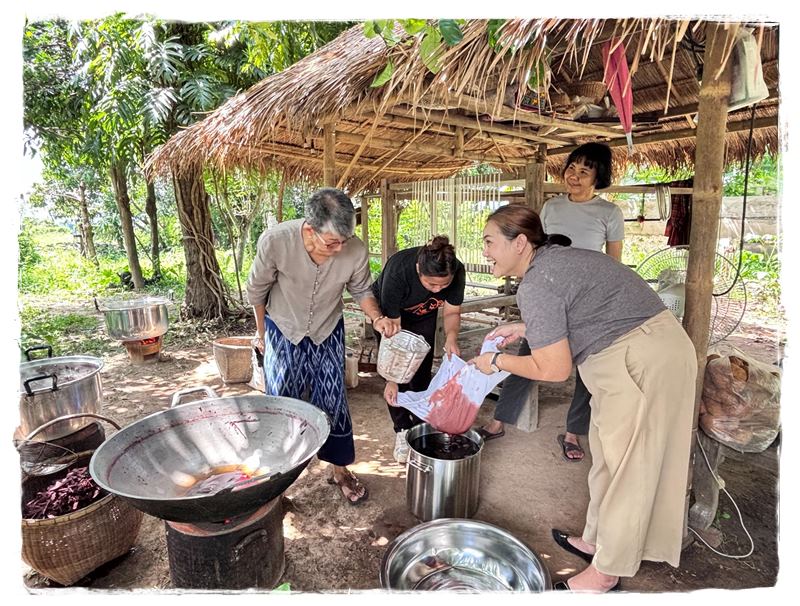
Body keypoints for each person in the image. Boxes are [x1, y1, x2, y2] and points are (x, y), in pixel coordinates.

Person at [471, 205, 696, 592]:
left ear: (520, 243)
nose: (485, 251)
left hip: (645, 359)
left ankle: (606, 573)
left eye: (490, 242)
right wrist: (526, 327)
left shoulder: (537, 282)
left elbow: (553, 369)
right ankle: (596, 542)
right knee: (609, 460)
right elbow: (580, 308)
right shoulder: (553, 263)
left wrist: (495, 362)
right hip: (634, 351)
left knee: (630, 469)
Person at [246, 188, 397, 505]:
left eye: (344, 240)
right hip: (283, 328)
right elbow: (257, 291)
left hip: (328, 328)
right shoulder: (276, 241)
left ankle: (339, 470)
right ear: (309, 230)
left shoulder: (354, 249)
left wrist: (377, 318)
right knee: (281, 403)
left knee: (333, 398)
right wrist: (261, 335)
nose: (340, 248)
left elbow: (361, 290)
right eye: (332, 243)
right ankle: (277, 480)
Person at [477, 142, 624, 464]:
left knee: (586, 368)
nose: (575, 176)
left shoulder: (610, 213)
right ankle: (500, 420)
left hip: (586, 301)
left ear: (598, 177)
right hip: (549, 294)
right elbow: (535, 250)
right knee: (529, 355)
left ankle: (573, 432)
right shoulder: (552, 207)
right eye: (571, 168)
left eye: (584, 171)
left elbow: (613, 263)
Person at [371, 236, 466, 463]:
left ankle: (421, 425)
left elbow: (452, 312)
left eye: (443, 285)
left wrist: (451, 338)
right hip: (391, 319)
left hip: (424, 314)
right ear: (417, 269)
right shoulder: (399, 270)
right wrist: (392, 378)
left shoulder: (457, 271)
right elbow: (394, 335)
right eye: (431, 285)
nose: (438, 289)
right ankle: (402, 429)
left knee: (421, 373)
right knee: (399, 378)